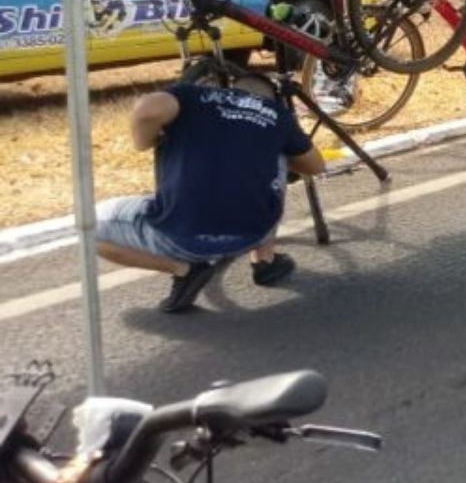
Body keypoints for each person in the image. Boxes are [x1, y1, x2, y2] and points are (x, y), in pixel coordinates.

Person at [95, 73, 325, 312]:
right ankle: (264, 259)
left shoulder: (190, 97)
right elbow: (316, 166)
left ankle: (183, 269)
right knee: (281, 153)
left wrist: (144, 141)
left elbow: (148, 111)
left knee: (87, 227)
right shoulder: (279, 116)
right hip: (254, 232)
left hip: (181, 239)